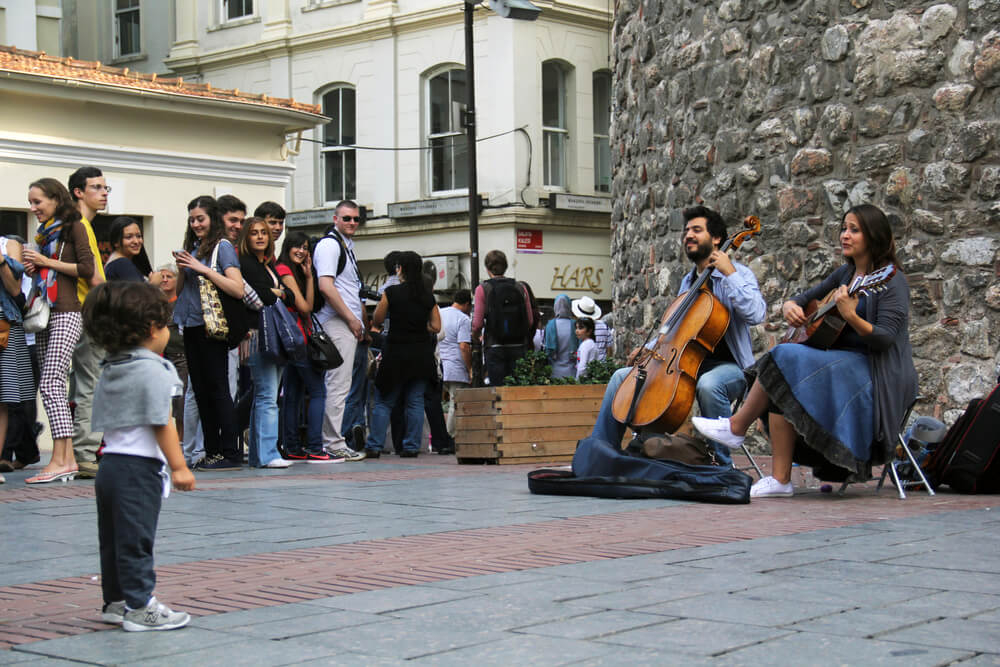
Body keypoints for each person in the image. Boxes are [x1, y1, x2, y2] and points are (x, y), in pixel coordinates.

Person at [693, 204, 917, 498]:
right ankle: (780, 480)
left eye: (854, 230)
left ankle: (736, 427)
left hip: (876, 371)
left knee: (784, 356)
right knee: (784, 371)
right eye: (844, 228)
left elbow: (886, 338)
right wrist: (791, 306)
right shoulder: (846, 273)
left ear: (874, 236)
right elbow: (803, 298)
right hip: (839, 364)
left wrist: (851, 316)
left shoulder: (890, 280)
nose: (845, 235)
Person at [589, 206, 766, 464]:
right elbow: (676, 330)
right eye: (686, 231)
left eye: (697, 230)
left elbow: (756, 313)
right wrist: (649, 348)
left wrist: (729, 273)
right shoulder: (688, 282)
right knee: (620, 377)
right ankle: (602, 453)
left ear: (717, 238)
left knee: (709, 385)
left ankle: (721, 465)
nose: (688, 235)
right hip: (684, 366)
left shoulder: (739, 274)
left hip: (730, 369)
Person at [83, 280, 194, 631]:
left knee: (113, 539)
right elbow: (162, 420)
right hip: (138, 468)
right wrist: (179, 466)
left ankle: (116, 601)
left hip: (110, 466)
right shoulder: (154, 369)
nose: (167, 332)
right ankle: (140, 606)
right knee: (137, 539)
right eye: (165, 325)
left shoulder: (113, 365)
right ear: (151, 329)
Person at [23, 178, 96, 484]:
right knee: (50, 386)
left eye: (37, 201)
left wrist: (45, 262)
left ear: (55, 199)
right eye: (30, 202)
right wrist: (36, 267)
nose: (33, 208)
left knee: (51, 382)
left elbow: (88, 269)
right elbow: (49, 270)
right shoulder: (45, 233)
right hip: (45, 313)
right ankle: (64, 459)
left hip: (67, 312)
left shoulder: (74, 226)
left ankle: (61, 459)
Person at [172, 196, 245, 471]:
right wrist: (182, 269)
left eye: (200, 219)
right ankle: (212, 452)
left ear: (212, 219)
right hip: (191, 324)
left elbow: (237, 288)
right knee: (201, 391)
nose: (195, 224)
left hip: (212, 327)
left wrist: (201, 268)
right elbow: (181, 292)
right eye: (192, 219)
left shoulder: (222, 247)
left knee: (218, 389)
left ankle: (230, 453)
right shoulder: (194, 247)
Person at [363, 251, 441, 457]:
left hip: (395, 353)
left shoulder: (391, 292)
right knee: (415, 402)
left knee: (384, 401)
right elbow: (436, 326)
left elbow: (378, 319)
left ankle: (374, 445)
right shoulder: (427, 296)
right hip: (421, 355)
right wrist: (420, 326)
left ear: (400, 269)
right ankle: (411, 446)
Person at [235, 217, 294, 469]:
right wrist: (278, 292)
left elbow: (290, 296)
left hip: (272, 333)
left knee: (264, 395)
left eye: (263, 232)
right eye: (254, 233)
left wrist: (278, 293)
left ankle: (260, 455)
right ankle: (268, 454)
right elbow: (263, 297)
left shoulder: (267, 263)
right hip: (260, 334)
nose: (260, 237)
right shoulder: (246, 263)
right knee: (268, 396)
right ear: (245, 238)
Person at [314, 200, 367, 461]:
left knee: (337, 385)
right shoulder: (330, 245)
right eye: (347, 218)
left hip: (342, 322)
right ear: (335, 219)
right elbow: (326, 286)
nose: (352, 223)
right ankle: (333, 442)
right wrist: (351, 319)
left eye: (356, 219)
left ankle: (330, 440)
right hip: (336, 322)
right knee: (338, 384)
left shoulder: (344, 246)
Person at [275, 231, 335, 463]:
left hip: (291, 340)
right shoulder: (284, 270)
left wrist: (309, 276)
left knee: (293, 394)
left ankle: (292, 446)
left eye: (305, 248)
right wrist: (307, 280)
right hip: (299, 339)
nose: (301, 251)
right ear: (287, 247)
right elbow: (305, 307)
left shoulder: (293, 271)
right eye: (297, 246)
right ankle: (316, 447)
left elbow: (307, 305)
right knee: (318, 391)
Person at [66, 166, 108, 478]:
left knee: (81, 384)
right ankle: (85, 453)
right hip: (88, 312)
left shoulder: (78, 224)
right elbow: (93, 278)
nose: (103, 193)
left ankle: (78, 451)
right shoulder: (81, 224)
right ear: (78, 192)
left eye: (105, 188)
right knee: (91, 385)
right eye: (96, 187)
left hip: (78, 312)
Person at [0, 235, 38, 477]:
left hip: (5, 325)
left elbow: (16, 291)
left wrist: (1, 262)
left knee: (6, 397)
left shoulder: (8, 245)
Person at [471, 250, 535, 386]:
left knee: (498, 391)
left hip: (494, 346)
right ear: (505, 266)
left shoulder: (483, 289)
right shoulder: (520, 287)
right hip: (518, 345)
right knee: (517, 390)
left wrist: (476, 337)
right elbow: (529, 321)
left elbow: (477, 324)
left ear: (487, 268)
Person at [439, 289, 472, 437]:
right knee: (455, 402)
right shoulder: (463, 319)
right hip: (456, 367)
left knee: (436, 403)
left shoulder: (440, 313)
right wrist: (470, 368)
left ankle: (438, 437)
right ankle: (451, 436)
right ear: (466, 304)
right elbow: (464, 346)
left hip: (439, 365)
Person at [158, 264, 186, 440]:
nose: (165, 280)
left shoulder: (181, 302)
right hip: (164, 359)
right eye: (162, 277)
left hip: (182, 357)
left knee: (181, 402)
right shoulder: (158, 304)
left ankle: (181, 439)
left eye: (169, 276)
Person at [104, 217, 162, 285]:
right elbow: (136, 291)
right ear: (115, 242)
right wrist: (153, 283)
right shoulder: (121, 263)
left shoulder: (116, 262)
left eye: (138, 236)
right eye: (129, 237)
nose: (136, 241)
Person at [545, 294, 578, 379]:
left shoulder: (550, 325)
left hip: (554, 371)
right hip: (572, 371)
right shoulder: (575, 325)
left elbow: (547, 350)